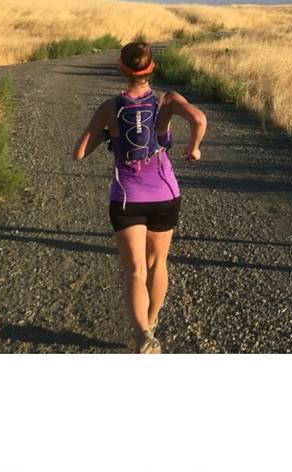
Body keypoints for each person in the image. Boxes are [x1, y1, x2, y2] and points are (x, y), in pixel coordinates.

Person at [73, 39, 207, 353]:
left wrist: (107, 132)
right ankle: (153, 318)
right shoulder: (167, 100)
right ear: (152, 68)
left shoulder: (110, 107)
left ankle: (143, 335)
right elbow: (200, 119)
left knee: (135, 269)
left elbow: (79, 153)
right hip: (165, 194)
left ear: (121, 69)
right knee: (158, 263)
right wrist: (194, 148)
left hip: (126, 198)